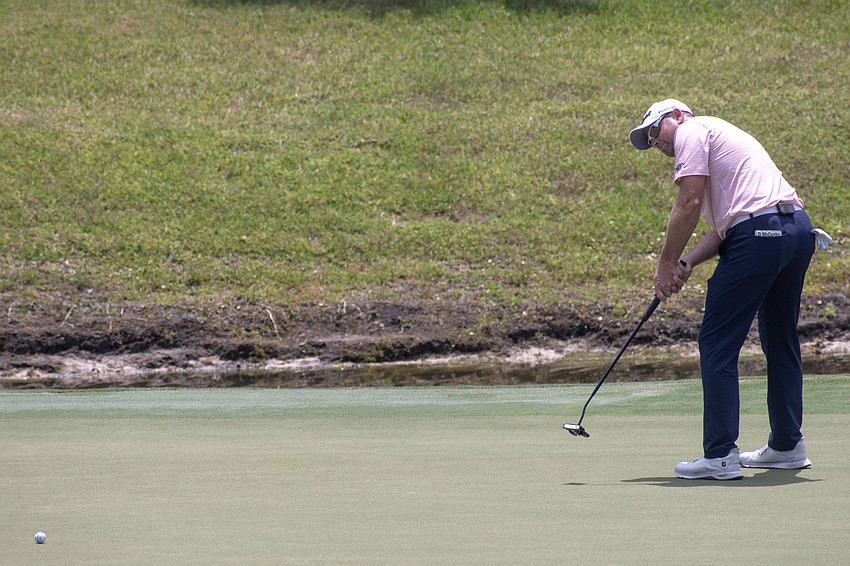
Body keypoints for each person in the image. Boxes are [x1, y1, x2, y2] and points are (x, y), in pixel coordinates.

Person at [629, 99, 822, 480]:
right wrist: (686, 263)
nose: (655, 143)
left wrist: (665, 263)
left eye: (655, 131)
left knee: (717, 343)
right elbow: (726, 229)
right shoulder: (720, 141)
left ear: (678, 116)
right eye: (648, 140)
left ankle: (719, 455)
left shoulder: (691, 131)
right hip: (796, 230)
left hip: (760, 235)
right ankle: (787, 446)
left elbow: (689, 201)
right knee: (780, 339)